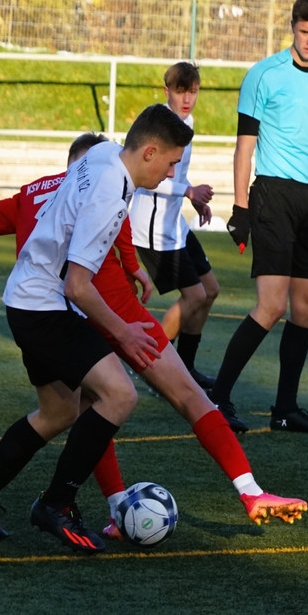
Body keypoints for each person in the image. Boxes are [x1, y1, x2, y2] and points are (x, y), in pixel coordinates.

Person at [0, 128, 308, 549]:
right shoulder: (103, 181)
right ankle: (61, 503)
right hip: (84, 305)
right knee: (126, 396)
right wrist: (126, 302)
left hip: (43, 304)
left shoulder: (54, 184)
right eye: (171, 162)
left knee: (62, 411)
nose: (173, 172)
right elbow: (98, 242)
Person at [213, 0, 308, 435]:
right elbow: (244, 147)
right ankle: (216, 399)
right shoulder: (264, 74)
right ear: (292, 27)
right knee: (272, 304)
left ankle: (285, 410)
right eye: (304, 32)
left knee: (307, 306)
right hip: (271, 196)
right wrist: (240, 207)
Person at [130, 62, 218, 391]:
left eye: (193, 92)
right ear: (166, 91)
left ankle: (187, 368)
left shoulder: (186, 123)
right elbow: (148, 178)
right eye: (181, 92)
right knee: (194, 296)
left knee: (210, 290)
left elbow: (176, 174)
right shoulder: (158, 126)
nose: (187, 99)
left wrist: (192, 196)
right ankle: (151, 369)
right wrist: (188, 192)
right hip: (153, 230)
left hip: (173, 224)